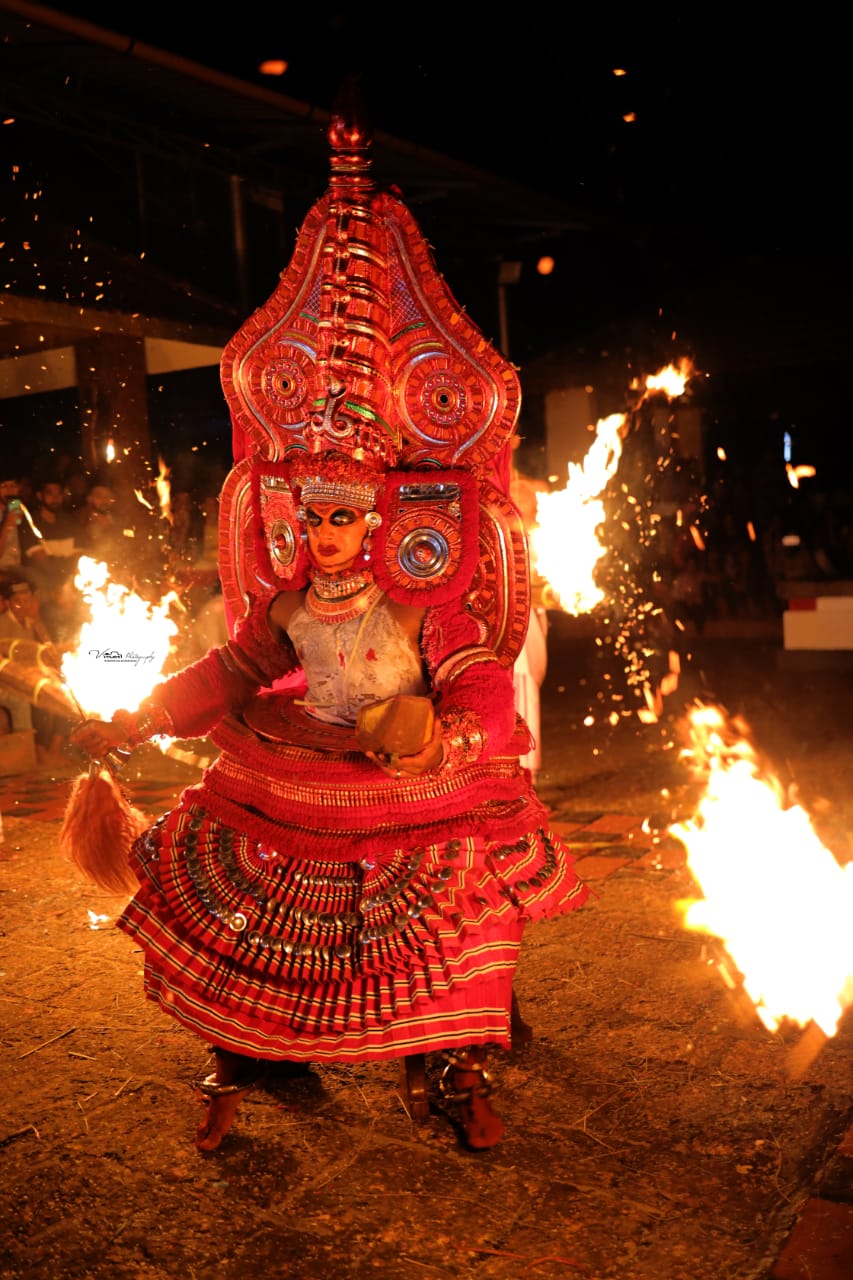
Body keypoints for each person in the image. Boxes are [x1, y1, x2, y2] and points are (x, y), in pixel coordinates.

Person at [69, 105, 591, 1156]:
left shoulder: (421, 595)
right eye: (310, 516)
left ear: (380, 517)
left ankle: (445, 1065)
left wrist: (458, 737)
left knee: (463, 910)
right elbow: (232, 668)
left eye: (344, 515)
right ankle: (251, 1050)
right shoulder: (289, 604)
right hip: (306, 768)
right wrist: (136, 717)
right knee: (225, 890)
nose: (325, 534)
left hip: (410, 775)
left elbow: (479, 668)